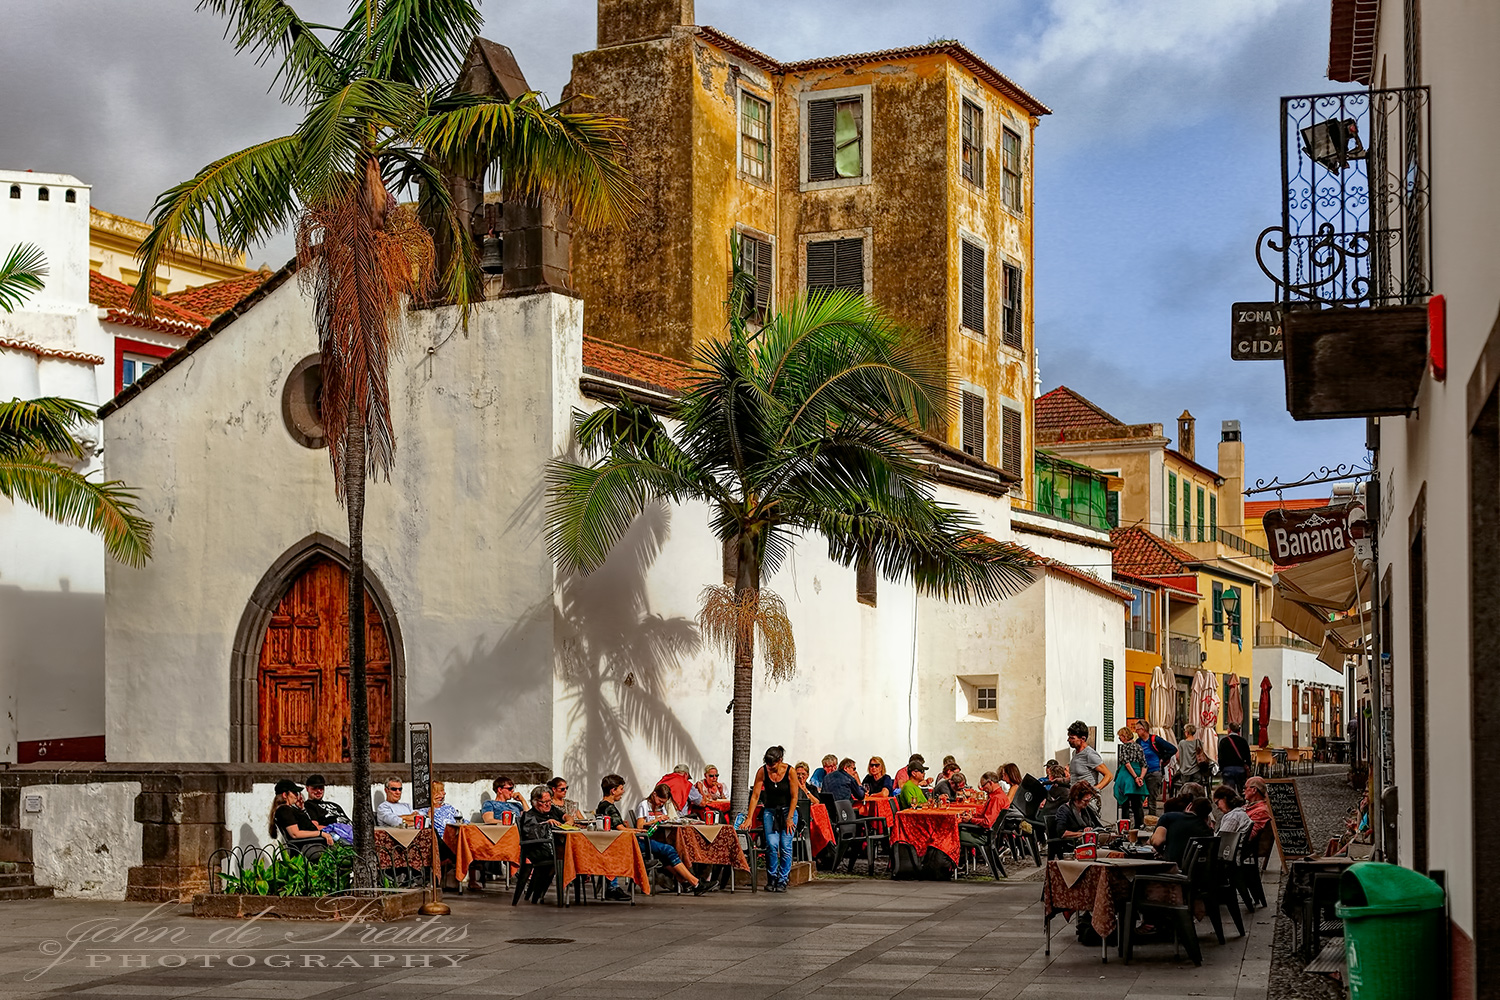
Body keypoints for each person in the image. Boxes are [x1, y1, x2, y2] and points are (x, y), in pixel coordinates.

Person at [740, 746, 800, 892]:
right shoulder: (762, 771)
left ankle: (783, 879)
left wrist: (790, 817)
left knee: (785, 846)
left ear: (780, 761)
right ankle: (771, 877)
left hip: (787, 810)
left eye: (773, 765)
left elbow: (794, 796)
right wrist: (749, 818)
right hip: (770, 811)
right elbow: (755, 796)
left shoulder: (790, 771)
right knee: (772, 845)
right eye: (768, 765)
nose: (770, 768)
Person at [636, 782, 712, 894]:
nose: (661, 804)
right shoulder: (644, 805)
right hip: (644, 840)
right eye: (660, 801)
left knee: (671, 852)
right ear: (654, 794)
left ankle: (685, 882)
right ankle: (695, 883)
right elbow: (639, 826)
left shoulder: (661, 807)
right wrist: (655, 820)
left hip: (657, 837)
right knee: (669, 850)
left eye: (664, 802)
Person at [269, 779, 332, 859]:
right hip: (309, 848)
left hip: (314, 844)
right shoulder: (284, 810)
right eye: (294, 792)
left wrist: (301, 809)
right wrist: (321, 834)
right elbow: (295, 834)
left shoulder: (290, 809)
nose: (297, 795)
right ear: (285, 795)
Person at [518, 785, 560, 904]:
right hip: (535, 850)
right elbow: (530, 833)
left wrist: (567, 821)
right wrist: (545, 824)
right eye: (544, 802)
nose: (547, 804)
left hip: (550, 849)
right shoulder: (529, 815)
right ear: (535, 802)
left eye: (549, 801)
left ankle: (538, 894)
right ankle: (538, 894)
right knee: (558, 860)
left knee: (567, 856)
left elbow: (565, 816)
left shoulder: (552, 810)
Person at [596, 774, 632, 900]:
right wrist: (638, 831)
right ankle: (612, 887)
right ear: (613, 790)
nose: (623, 791)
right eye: (621, 789)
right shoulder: (608, 807)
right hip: (615, 844)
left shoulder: (603, 805)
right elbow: (620, 829)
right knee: (667, 850)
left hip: (614, 842)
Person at [1149, 796, 1214, 864]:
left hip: (1171, 868)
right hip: (1194, 871)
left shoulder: (1168, 817)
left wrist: (1161, 851)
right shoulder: (1206, 830)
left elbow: (1157, 842)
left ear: (1189, 806)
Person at [958, 772, 1011, 856]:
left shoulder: (996, 799)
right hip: (990, 834)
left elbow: (987, 823)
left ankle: (957, 863)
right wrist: (973, 816)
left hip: (984, 836)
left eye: (983, 786)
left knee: (953, 833)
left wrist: (971, 820)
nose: (982, 789)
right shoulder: (999, 795)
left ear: (990, 782)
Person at [1132, 718, 1176, 814]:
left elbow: (1172, 749)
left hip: (1154, 771)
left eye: (1137, 729)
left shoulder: (1155, 740)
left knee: (1152, 798)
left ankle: (1152, 819)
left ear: (1143, 729)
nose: (1136, 731)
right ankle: (1141, 820)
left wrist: (1163, 758)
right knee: (1140, 797)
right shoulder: (1138, 742)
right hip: (1142, 773)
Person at [302, 774, 354, 844]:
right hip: (338, 836)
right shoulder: (309, 805)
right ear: (307, 789)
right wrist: (333, 829)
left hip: (352, 830)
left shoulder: (334, 805)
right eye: (314, 788)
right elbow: (315, 827)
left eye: (321, 788)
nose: (318, 791)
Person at [1113, 726, 1147, 829]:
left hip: (1127, 776)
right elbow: (1144, 765)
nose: (1119, 739)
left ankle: (1125, 827)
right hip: (1138, 774)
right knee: (1137, 804)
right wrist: (1140, 777)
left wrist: (1135, 777)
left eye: (1120, 736)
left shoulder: (1124, 747)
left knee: (1125, 803)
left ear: (1124, 736)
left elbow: (1127, 764)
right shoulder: (1139, 747)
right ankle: (1139, 826)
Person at [1067, 721, 1113, 792]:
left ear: (1083, 739)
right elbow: (1075, 777)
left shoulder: (1090, 754)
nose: (1069, 740)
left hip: (1088, 802)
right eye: (1069, 738)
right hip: (1076, 800)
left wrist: (1093, 790)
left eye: (1072, 738)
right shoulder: (1074, 753)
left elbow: (1109, 776)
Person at [1219, 723, 1252, 791]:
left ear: (1229, 730)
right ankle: (1242, 800)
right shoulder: (1243, 741)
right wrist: (1248, 766)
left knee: (1229, 792)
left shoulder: (1224, 741)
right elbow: (1248, 756)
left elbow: (1220, 756)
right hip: (1240, 769)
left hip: (1227, 769)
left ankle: (1231, 801)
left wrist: (1221, 768)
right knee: (1242, 791)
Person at [1176, 725, 1207, 789]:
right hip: (1196, 770)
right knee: (1196, 791)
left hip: (1185, 771)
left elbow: (1177, 756)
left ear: (1187, 732)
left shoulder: (1182, 743)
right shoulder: (1198, 742)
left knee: (1186, 791)